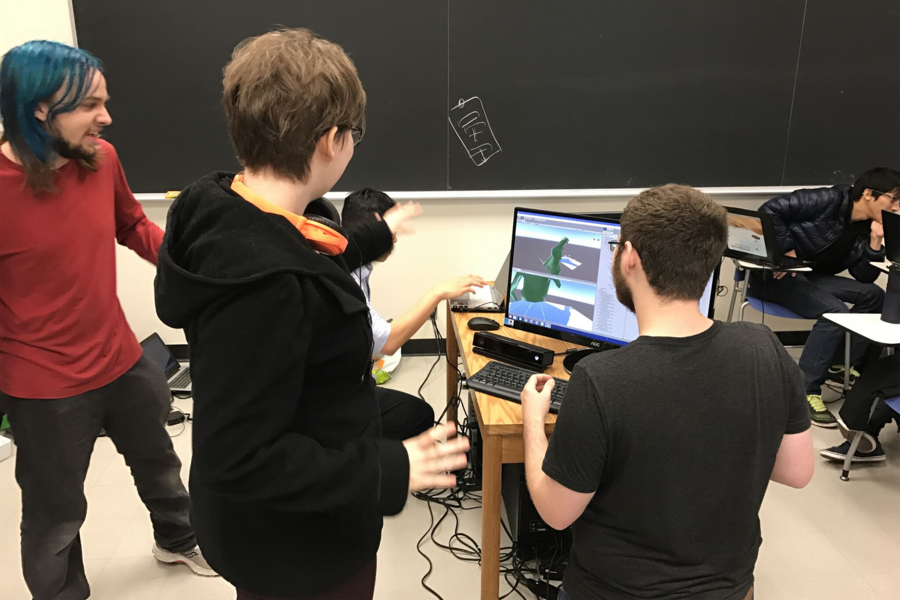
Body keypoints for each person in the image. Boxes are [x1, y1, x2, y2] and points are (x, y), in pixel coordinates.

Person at [153, 28, 469, 600]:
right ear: (330, 141)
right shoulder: (263, 289)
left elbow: (298, 254)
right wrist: (388, 470)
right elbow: (241, 459)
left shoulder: (228, 206)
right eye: (354, 136)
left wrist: (366, 240)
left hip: (276, 529)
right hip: (295, 552)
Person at [520, 184, 814, 600]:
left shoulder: (601, 378)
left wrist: (533, 421)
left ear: (630, 257)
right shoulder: (763, 347)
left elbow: (556, 514)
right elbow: (796, 472)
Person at [0, 40, 212, 600]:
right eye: (92, 105)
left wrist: (194, 271)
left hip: (121, 357)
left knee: (161, 464)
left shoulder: (102, 160)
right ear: (42, 109)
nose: (107, 117)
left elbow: (133, 225)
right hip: (41, 383)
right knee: (56, 513)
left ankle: (178, 538)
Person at [750, 168, 900, 427]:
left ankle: (839, 364)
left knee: (873, 296)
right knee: (836, 311)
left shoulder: (866, 227)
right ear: (868, 194)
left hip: (812, 277)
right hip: (776, 276)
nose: (897, 207)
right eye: (893, 199)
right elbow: (768, 210)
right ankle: (804, 391)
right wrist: (786, 252)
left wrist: (876, 241)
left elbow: (863, 276)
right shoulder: (828, 200)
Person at [341, 187, 486, 440]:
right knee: (417, 417)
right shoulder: (347, 277)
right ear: (375, 228)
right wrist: (436, 293)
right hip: (340, 404)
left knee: (420, 414)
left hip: (355, 385)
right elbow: (387, 341)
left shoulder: (356, 267)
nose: (394, 239)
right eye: (390, 230)